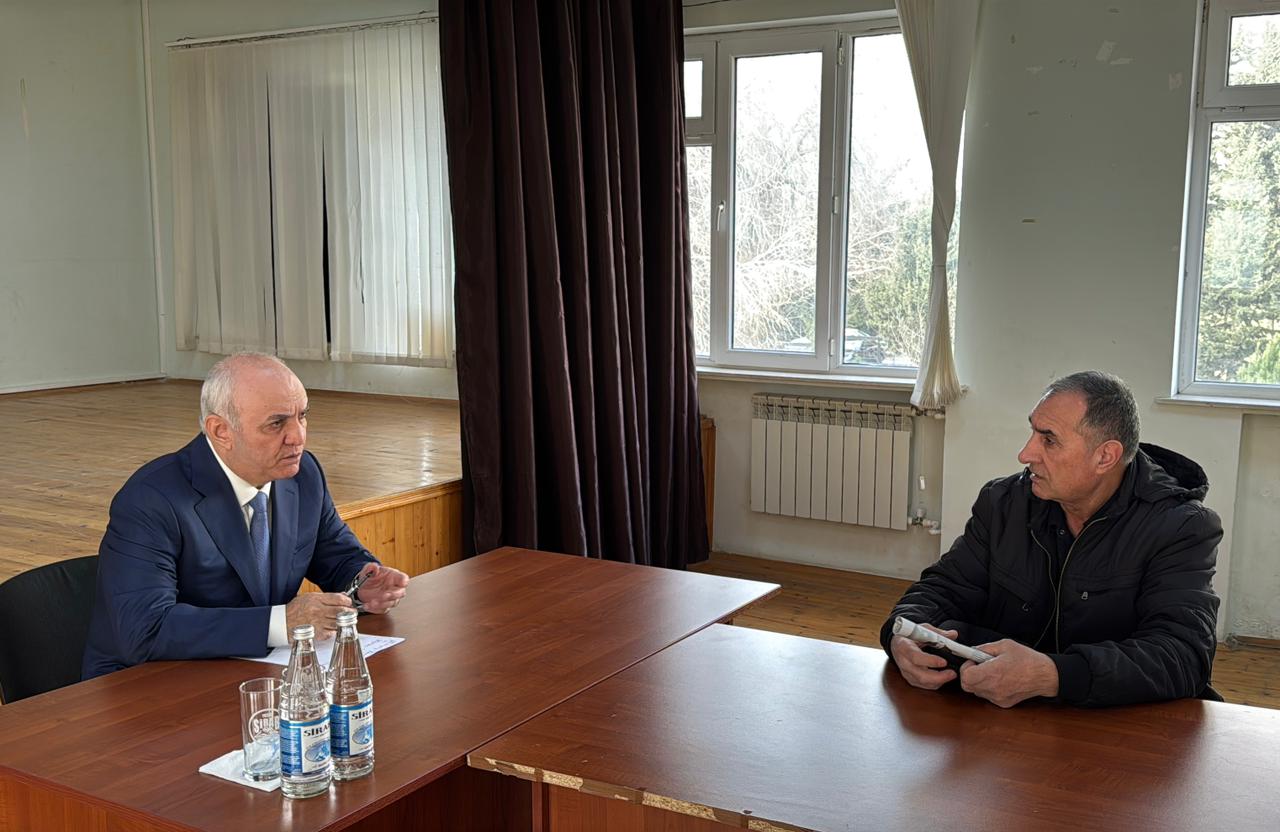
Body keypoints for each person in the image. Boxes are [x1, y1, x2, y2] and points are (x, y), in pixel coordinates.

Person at [881, 371, 1222, 708]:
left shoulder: (1181, 526)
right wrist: (901, 635)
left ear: (1105, 456)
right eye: (1032, 431)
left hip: (1119, 727)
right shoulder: (1003, 502)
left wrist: (1055, 675)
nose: (1025, 454)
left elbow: (1184, 656)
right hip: (1004, 720)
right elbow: (944, 588)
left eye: (1049, 440)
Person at [83, 353, 410, 679]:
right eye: (277, 423)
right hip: (144, 684)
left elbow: (336, 556)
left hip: (251, 672)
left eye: (302, 416)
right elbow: (145, 629)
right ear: (220, 431)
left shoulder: (303, 474)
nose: (298, 436)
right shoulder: (151, 499)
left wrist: (362, 584)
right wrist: (281, 623)